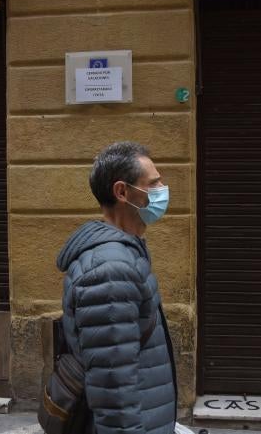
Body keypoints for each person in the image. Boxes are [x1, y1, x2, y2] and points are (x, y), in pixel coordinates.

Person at [56, 141, 177, 434]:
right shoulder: (110, 270)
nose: (163, 190)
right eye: (154, 183)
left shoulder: (126, 253)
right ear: (122, 192)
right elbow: (114, 387)